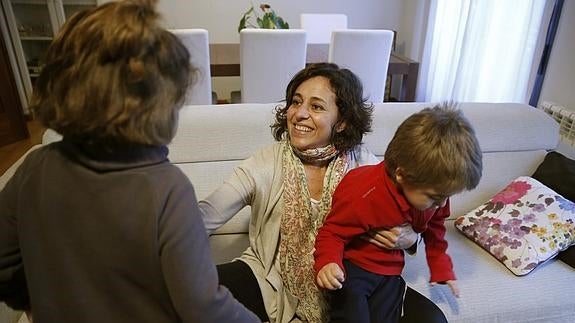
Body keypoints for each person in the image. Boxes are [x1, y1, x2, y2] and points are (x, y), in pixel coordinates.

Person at [0, 1, 258, 322]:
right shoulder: (168, 190)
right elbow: (203, 306)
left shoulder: (34, 168)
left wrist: (36, 302)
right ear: (160, 108)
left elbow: (5, 263)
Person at [200, 63, 450, 323]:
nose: (299, 114)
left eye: (316, 106)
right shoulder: (266, 163)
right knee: (188, 290)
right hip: (272, 278)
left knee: (432, 319)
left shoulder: (363, 163)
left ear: (341, 122)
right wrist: (165, 234)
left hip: (351, 277)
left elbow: (414, 203)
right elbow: (208, 212)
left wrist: (410, 237)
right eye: (296, 102)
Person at [314, 103, 483, 323]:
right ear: (402, 175)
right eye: (434, 197)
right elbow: (332, 232)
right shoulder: (364, 193)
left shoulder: (436, 195)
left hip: (390, 272)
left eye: (445, 197)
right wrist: (328, 263)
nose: (441, 205)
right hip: (353, 269)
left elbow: (436, 230)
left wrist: (440, 266)